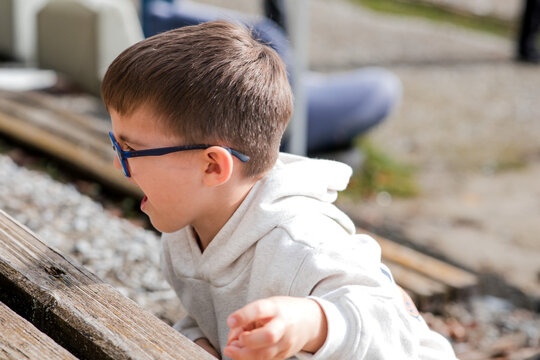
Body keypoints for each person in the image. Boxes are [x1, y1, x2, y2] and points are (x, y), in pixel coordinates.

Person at [101, 20, 457, 360]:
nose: (119, 164)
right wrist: (200, 341)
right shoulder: (184, 230)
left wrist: (309, 323)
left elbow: (391, 329)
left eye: (130, 150)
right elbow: (210, 314)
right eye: (116, 146)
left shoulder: (301, 242)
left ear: (213, 166)